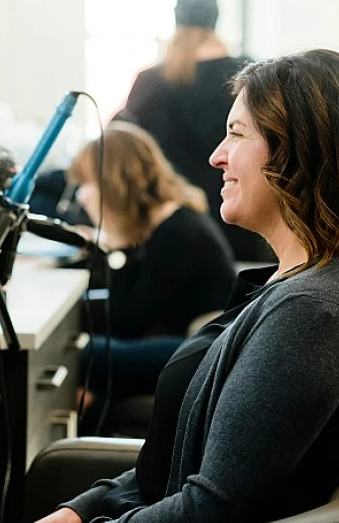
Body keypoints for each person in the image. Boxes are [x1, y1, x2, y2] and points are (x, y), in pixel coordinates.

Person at [21, 49, 339, 523]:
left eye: (237, 134)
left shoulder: (313, 316)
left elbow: (208, 511)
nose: (216, 156)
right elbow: (196, 462)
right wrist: (90, 506)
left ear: (298, 153)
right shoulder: (306, 287)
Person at [67, 121, 236, 431]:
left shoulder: (177, 233)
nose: (81, 196)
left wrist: (116, 250)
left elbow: (127, 320)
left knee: (87, 353)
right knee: (99, 384)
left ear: (112, 184)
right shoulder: (169, 223)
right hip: (189, 342)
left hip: (201, 351)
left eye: (86, 184)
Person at [114, 0, 273, 263]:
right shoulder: (250, 77)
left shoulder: (151, 82)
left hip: (174, 236)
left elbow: (119, 150)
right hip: (245, 228)